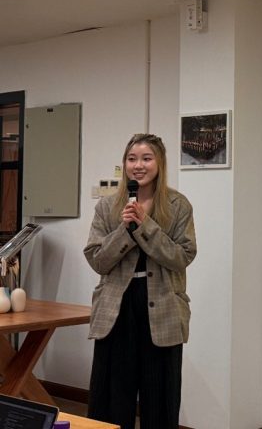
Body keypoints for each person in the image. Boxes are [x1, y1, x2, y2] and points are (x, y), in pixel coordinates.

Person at [84, 133, 197, 429]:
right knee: (111, 398)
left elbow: (182, 256)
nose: (138, 165)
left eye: (147, 158)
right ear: (124, 164)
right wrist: (124, 230)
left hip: (163, 308)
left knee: (160, 397)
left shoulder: (177, 205)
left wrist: (145, 226)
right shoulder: (108, 207)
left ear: (159, 163)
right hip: (116, 308)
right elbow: (97, 260)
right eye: (132, 159)